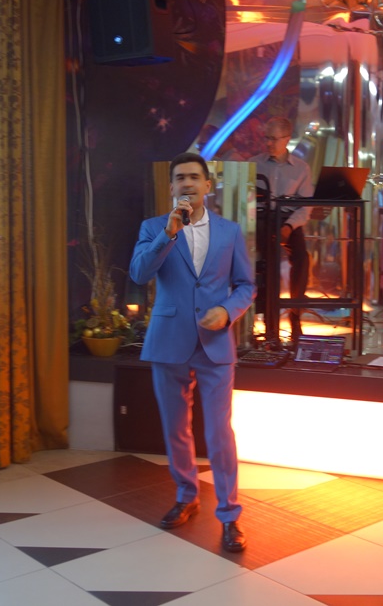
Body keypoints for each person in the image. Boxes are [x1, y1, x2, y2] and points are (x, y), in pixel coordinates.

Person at [129, 152, 256, 553]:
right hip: (169, 340)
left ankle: (229, 514)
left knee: (219, 433)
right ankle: (186, 495)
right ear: (172, 187)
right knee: (175, 428)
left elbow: (246, 285)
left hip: (215, 343)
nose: (187, 183)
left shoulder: (229, 231)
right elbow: (139, 274)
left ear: (207, 185)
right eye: (180, 177)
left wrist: (228, 311)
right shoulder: (154, 227)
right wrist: (168, 234)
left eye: (194, 177)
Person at [249, 117, 314, 344]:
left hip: (288, 219)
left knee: (302, 258)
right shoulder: (253, 164)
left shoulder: (302, 168)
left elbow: (305, 207)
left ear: (287, 139)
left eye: (273, 139)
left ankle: (295, 313)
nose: (268, 143)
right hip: (262, 218)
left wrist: (288, 226)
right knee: (269, 259)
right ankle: (269, 320)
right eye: (266, 138)